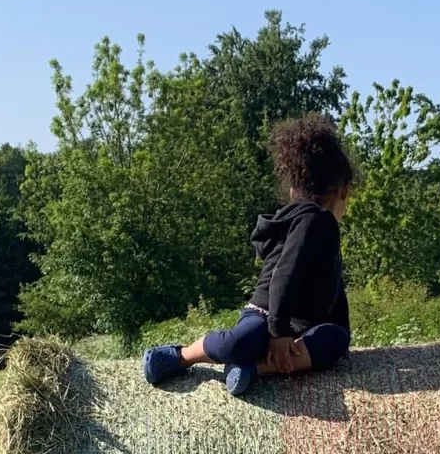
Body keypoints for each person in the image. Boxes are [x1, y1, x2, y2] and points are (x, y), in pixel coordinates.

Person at [142, 114, 355, 396]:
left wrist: (340, 332)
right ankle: (181, 355)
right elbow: (284, 275)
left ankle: (253, 368)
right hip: (266, 314)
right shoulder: (315, 220)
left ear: (294, 190)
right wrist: (279, 332)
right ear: (342, 191)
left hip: (299, 328)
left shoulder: (315, 225)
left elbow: (333, 287)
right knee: (242, 340)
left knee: (336, 339)